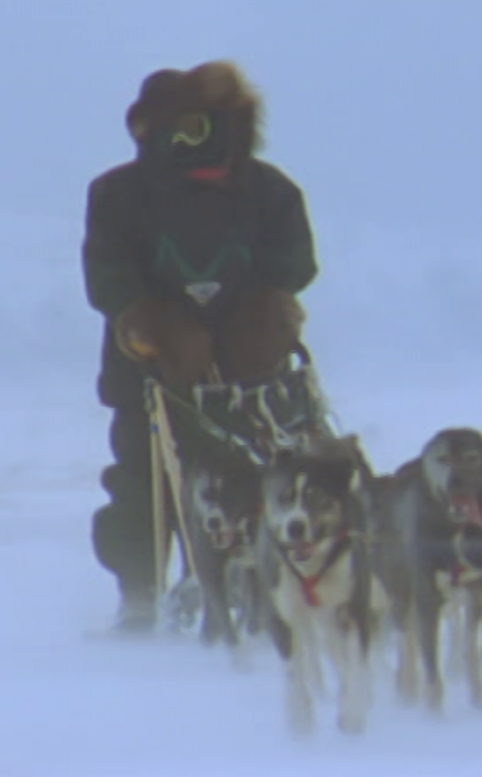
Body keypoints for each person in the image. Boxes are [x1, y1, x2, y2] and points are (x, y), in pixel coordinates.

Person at [81, 60, 319, 632]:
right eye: (161, 129)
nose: (176, 141)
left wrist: (262, 314)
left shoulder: (269, 190)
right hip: (149, 371)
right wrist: (146, 322)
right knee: (143, 481)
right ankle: (139, 591)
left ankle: (252, 578)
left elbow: (295, 263)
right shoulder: (117, 193)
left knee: (258, 474)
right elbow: (108, 273)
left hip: (250, 375)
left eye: (191, 127)